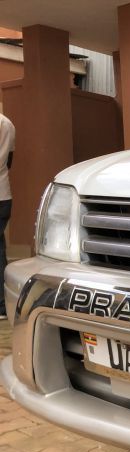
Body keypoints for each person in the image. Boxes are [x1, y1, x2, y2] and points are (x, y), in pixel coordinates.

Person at [0, 112, 15, 320]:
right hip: (3, 195)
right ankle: (3, 304)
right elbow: (9, 160)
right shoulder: (7, 123)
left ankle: (3, 304)